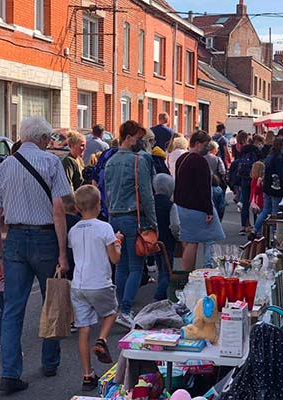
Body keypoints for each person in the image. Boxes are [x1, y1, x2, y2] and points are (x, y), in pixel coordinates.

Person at [0, 116, 72, 393]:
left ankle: (9, 373)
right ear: (44, 139)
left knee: (13, 308)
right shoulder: (51, 163)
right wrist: (62, 253)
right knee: (53, 302)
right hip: (46, 237)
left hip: (15, 240)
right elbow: (59, 210)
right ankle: (49, 362)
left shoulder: (5, 166)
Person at [68, 185, 123, 391]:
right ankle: (102, 340)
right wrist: (118, 242)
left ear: (77, 207)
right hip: (99, 282)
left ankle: (87, 374)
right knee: (111, 311)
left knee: (84, 328)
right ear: (99, 205)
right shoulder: (104, 228)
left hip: (79, 284)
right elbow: (114, 258)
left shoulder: (73, 231)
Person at [104, 120, 156, 327]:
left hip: (114, 216)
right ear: (128, 137)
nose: (140, 142)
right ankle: (125, 309)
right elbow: (146, 194)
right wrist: (153, 222)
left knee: (121, 266)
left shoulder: (110, 161)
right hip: (133, 217)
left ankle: (119, 308)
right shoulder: (138, 161)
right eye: (137, 138)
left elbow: (106, 190)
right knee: (136, 266)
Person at [174, 131, 226, 270]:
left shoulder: (182, 158)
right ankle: (196, 271)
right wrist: (208, 210)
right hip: (196, 207)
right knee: (197, 241)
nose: (207, 148)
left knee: (188, 241)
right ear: (197, 144)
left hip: (181, 205)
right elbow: (204, 188)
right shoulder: (199, 161)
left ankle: (187, 274)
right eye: (205, 145)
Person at [253, 138, 283, 235]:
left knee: (265, 210)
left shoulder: (269, 157)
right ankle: (274, 234)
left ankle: (255, 229)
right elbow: (280, 174)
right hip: (276, 187)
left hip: (267, 187)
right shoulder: (278, 158)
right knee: (275, 212)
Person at [152, 174, 180, 301]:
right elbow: (175, 226)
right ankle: (158, 298)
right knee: (167, 272)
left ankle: (161, 297)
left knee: (160, 268)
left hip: (152, 241)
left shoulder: (150, 202)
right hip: (167, 242)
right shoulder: (170, 205)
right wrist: (178, 238)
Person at [237, 134, 264, 234]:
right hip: (254, 177)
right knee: (255, 201)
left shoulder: (243, 150)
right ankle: (256, 225)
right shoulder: (256, 150)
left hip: (244, 178)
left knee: (245, 202)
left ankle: (244, 225)